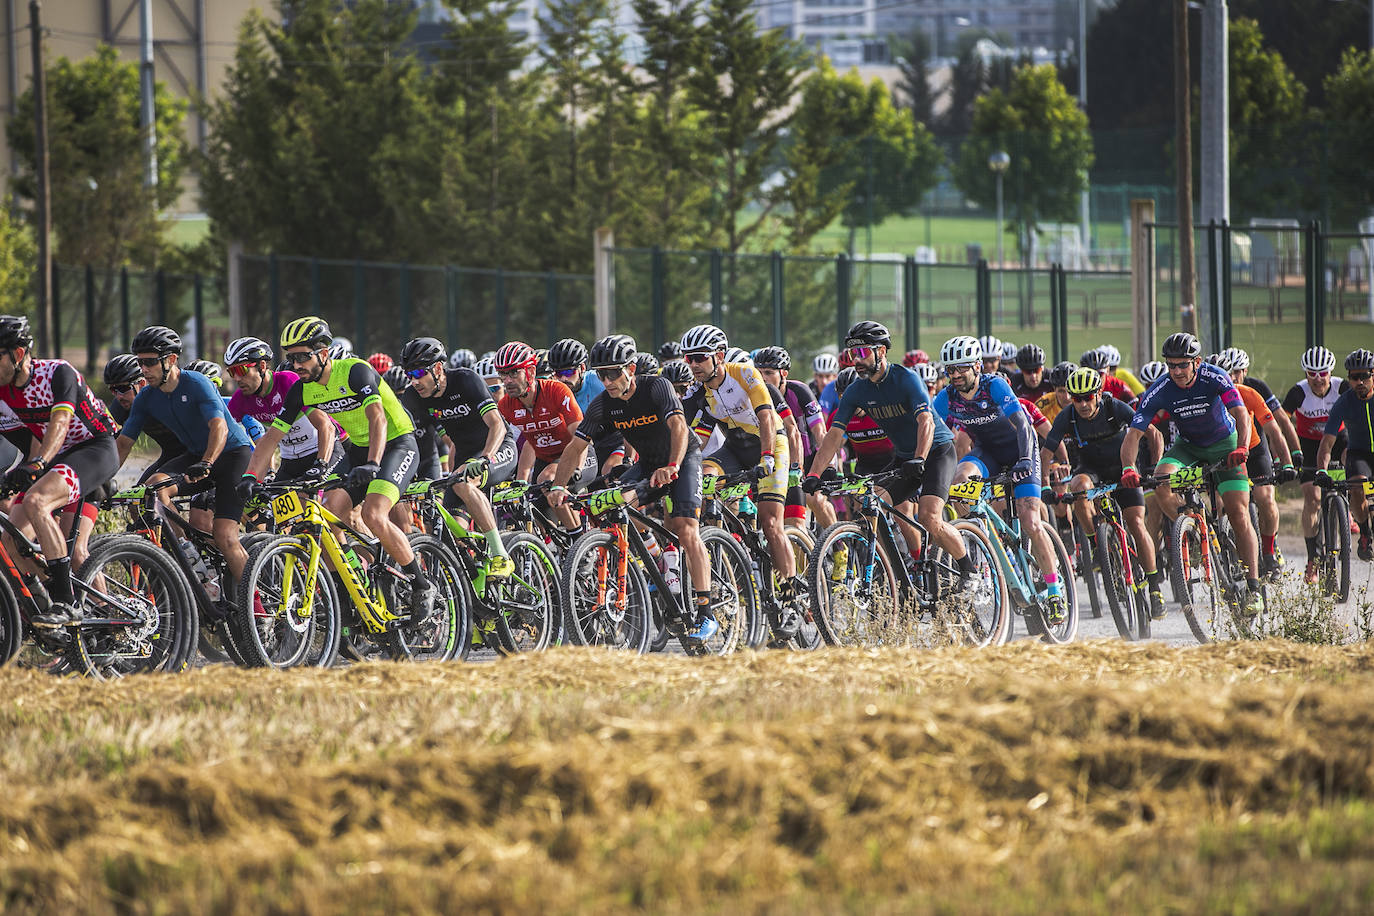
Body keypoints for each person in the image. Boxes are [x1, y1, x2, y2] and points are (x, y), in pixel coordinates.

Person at [241, 316, 435, 622]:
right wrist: (251, 476)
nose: (296, 365)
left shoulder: (355, 371)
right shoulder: (302, 390)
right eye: (290, 358)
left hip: (396, 443)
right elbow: (271, 438)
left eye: (303, 357)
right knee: (330, 510)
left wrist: (372, 463)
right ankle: (349, 587)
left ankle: (421, 586)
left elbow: (378, 419)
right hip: (358, 449)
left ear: (324, 354)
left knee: (373, 513)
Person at [550, 334, 718, 641]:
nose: (607, 380)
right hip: (649, 464)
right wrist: (559, 487)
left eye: (613, 373)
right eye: (601, 374)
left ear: (631, 368)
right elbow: (575, 447)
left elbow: (679, 427)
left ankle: (706, 612)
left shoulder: (657, 387)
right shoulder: (603, 404)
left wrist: (673, 466)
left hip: (683, 457)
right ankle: (657, 564)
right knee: (616, 505)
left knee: (686, 528)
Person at [804, 322, 976, 587]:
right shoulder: (856, 391)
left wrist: (919, 457)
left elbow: (926, 422)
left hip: (936, 451)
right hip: (906, 457)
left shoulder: (906, 379)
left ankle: (969, 570)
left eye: (862, 353)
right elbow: (834, 436)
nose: (856, 361)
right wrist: (814, 474)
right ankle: (900, 576)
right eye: (852, 355)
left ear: (881, 351)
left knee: (929, 517)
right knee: (871, 507)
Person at [1119, 332, 1265, 615]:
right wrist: (1128, 467)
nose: (1176, 371)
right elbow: (1134, 434)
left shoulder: (1215, 377)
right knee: (1161, 480)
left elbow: (1241, 414)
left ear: (1196, 362)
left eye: (1182, 365)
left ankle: (1254, 586)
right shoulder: (1161, 388)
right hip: (1188, 447)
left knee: (1238, 513)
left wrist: (1243, 447)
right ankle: (1192, 533)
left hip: (1226, 445)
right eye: (1171, 365)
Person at [115, 325, 256, 613]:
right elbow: (123, 444)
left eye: (150, 362)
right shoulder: (146, 397)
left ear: (171, 360)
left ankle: (259, 611)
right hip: (195, 456)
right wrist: (101, 480)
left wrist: (207, 462)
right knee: (151, 490)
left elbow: (218, 427)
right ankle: (190, 561)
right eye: (140, 362)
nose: (144, 369)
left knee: (226, 536)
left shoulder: (196, 383)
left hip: (231, 454)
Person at [0, 316, 121, 627]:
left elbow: (60, 425)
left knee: (37, 501)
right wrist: (15, 475)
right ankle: (48, 597)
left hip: (95, 448)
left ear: (16, 354)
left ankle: (67, 604)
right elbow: (28, 442)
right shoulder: (4, 393)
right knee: (11, 539)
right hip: (56, 457)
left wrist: (38, 465)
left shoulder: (57, 373)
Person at [934, 334, 1065, 618]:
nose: (955, 375)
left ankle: (1055, 591)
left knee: (1030, 520)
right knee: (958, 482)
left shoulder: (994, 385)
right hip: (988, 453)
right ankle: (976, 538)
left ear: (977, 366)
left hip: (1021, 449)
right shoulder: (947, 397)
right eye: (950, 370)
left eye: (961, 368)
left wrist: (1026, 461)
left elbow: (1022, 425)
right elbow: (930, 431)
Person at [679, 324, 802, 604]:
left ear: (719, 356)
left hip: (770, 444)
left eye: (700, 357)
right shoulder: (698, 392)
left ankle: (791, 593)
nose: (694, 364)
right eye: (689, 358)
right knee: (703, 475)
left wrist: (768, 456)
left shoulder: (745, 374)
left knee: (771, 522)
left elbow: (768, 418)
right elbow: (690, 432)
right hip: (734, 449)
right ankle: (723, 541)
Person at [1044, 366, 1167, 619]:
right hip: (1091, 470)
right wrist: (1045, 485)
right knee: (1077, 489)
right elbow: (1046, 453)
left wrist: (1153, 470)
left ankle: (1154, 587)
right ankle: (1096, 544)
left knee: (1135, 523)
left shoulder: (1115, 408)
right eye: (1077, 399)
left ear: (1098, 393)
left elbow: (1153, 434)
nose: (1083, 404)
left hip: (1123, 470)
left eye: (1088, 397)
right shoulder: (1067, 416)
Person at [399, 336, 517, 578]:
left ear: (439, 368)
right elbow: (413, 441)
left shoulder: (465, 380)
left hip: (497, 447)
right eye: (409, 375)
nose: (415, 381)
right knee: (447, 530)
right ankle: (473, 585)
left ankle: (500, 554)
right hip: (463, 458)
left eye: (420, 372)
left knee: (464, 481)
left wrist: (485, 458)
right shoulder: (414, 397)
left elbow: (497, 425)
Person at [223, 335, 348, 517]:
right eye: (231, 372)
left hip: (321, 451)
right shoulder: (241, 399)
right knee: (273, 514)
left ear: (262, 366)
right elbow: (234, 437)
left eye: (241, 370)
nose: (237, 379)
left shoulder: (288, 382)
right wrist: (249, 476)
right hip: (290, 461)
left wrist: (320, 464)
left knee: (320, 512)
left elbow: (325, 426)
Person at [1213, 349, 1297, 578]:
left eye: (1232, 374)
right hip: (1224, 455)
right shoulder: (1205, 399)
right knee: (1220, 504)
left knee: (1265, 498)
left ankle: (1269, 551)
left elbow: (1273, 430)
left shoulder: (1248, 393)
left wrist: (1288, 462)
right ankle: (1225, 551)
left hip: (1254, 449)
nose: (1229, 379)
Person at [494, 340, 594, 532]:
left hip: (578, 455)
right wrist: (521, 479)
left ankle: (578, 537)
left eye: (514, 372)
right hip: (544, 460)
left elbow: (580, 435)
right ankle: (552, 553)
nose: (507, 381)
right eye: (503, 374)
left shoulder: (556, 390)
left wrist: (576, 468)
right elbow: (529, 442)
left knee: (548, 479)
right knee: (536, 514)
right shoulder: (506, 405)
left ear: (530, 372)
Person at [1283, 346, 1350, 584]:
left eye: (1323, 373)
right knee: (1312, 499)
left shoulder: (1342, 387)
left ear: (1331, 372)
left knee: (1350, 466)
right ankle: (1313, 558)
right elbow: (1283, 421)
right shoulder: (1298, 393)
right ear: (1306, 374)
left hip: (1339, 441)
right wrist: (1289, 452)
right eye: (1312, 374)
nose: (1318, 379)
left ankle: (1348, 511)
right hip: (1310, 447)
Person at [754, 345, 835, 531]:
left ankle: (838, 545)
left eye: (768, 372)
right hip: (776, 460)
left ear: (783, 373)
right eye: (759, 373)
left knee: (815, 500)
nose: (763, 378)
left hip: (807, 458)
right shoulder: (755, 395)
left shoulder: (800, 391)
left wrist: (829, 464)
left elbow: (820, 431)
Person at [1316, 348, 1374, 561]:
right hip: (1359, 453)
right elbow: (1327, 443)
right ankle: (1365, 533)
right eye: (1354, 377)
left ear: (1373, 374)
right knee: (1357, 486)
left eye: (1364, 376)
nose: (1359, 382)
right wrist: (1322, 469)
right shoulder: (1344, 402)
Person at [104, 354, 188, 482]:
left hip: (197, 454)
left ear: (142, 383)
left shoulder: (165, 396)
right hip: (170, 455)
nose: (119, 396)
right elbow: (115, 446)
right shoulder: (122, 405)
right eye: (113, 390)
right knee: (141, 494)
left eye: (123, 388)